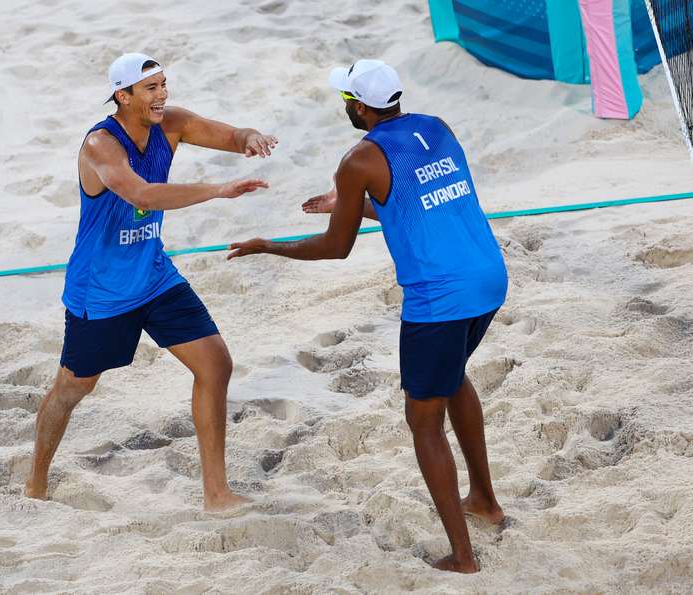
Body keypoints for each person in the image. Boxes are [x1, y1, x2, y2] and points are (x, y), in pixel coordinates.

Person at [228, 59, 506, 571]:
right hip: (488, 276)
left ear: (358, 107)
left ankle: (463, 556)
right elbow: (416, 202)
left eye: (345, 102)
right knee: (452, 377)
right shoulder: (436, 128)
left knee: (423, 421)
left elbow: (337, 248)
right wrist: (347, 203)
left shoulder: (359, 158)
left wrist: (271, 245)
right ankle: (485, 502)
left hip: (439, 296)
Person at [25, 53, 278, 512]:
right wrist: (217, 191)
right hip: (100, 290)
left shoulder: (172, 124)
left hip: (154, 277)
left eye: (163, 85)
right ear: (123, 97)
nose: (163, 94)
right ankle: (35, 482)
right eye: (151, 89)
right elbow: (141, 193)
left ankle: (217, 494)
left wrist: (249, 137)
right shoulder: (101, 145)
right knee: (72, 388)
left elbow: (228, 135)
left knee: (215, 364)